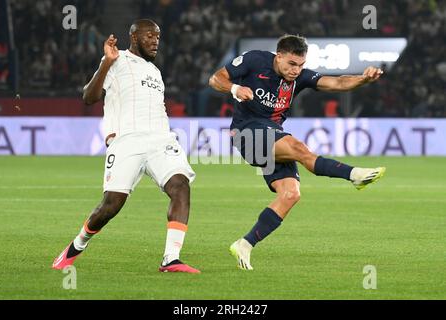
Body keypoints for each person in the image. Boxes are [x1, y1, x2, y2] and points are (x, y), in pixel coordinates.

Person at [208, 34, 385, 270]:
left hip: (272, 133)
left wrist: (363, 80)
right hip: (246, 132)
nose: (296, 70)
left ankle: (245, 244)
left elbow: (338, 83)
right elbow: (215, 79)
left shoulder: (299, 76)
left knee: (290, 194)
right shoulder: (254, 60)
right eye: (291, 64)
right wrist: (235, 88)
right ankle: (353, 176)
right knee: (299, 149)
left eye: (301, 65)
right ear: (279, 56)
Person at [52, 19, 200, 273]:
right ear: (133, 37)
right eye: (149, 36)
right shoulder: (116, 59)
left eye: (158, 37)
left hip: (160, 139)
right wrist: (107, 62)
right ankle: (77, 245)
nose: (155, 41)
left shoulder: (155, 72)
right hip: (126, 140)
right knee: (111, 204)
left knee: (180, 186)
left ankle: (171, 259)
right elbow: (89, 97)